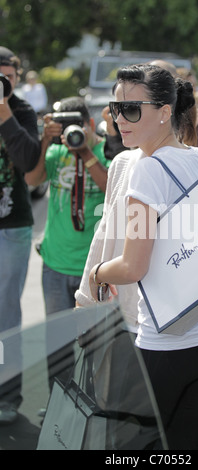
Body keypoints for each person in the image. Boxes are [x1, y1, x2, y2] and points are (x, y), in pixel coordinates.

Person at [85, 64, 198, 449]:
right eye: (115, 108)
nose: (120, 118)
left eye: (132, 109)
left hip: (168, 342)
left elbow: (133, 265)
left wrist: (97, 274)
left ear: (165, 111)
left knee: (129, 451)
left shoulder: (147, 171)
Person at [25, 96, 111, 391]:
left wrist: (85, 152)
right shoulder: (56, 152)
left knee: (93, 340)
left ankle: (89, 400)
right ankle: (58, 402)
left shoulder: (105, 151)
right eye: (62, 125)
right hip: (55, 264)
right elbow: (32, 179)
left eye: (75, 124)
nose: (69, 131)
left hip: (92, 268)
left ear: (89, 124)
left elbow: (110, 187)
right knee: (57, 341)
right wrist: (46, 142)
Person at [0, 46, 40, 423]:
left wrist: (4, 112)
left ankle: (7, 396)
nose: (3, 82)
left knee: (5, 314)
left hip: (11, 227)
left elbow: (29, 162)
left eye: (8, 77)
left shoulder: (24, 111)